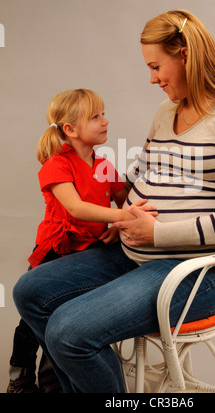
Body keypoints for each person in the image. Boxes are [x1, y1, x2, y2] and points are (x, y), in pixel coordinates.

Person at [13, 10, 215, 393]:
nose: (151, 78)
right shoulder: (166, 112)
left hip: (195, 271)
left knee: (68, 331)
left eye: (156, 66)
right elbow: (139, 177)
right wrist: (119, 219)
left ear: (184, 55)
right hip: (133, 252)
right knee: (28, 291)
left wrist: (157, 232)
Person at [8, 88, 155, 393]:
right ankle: (19, 375)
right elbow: (76, 207)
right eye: (96, 117)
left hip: (90, 248)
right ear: (70, 130)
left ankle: (52, 375)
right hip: (57, 248)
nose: (105, 121)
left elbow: (123, 200)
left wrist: (120, 221)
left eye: (103, 114)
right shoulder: (57, 165)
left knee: (69, 311)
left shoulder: (104, 165)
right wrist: (121, 218)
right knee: (31, 317)